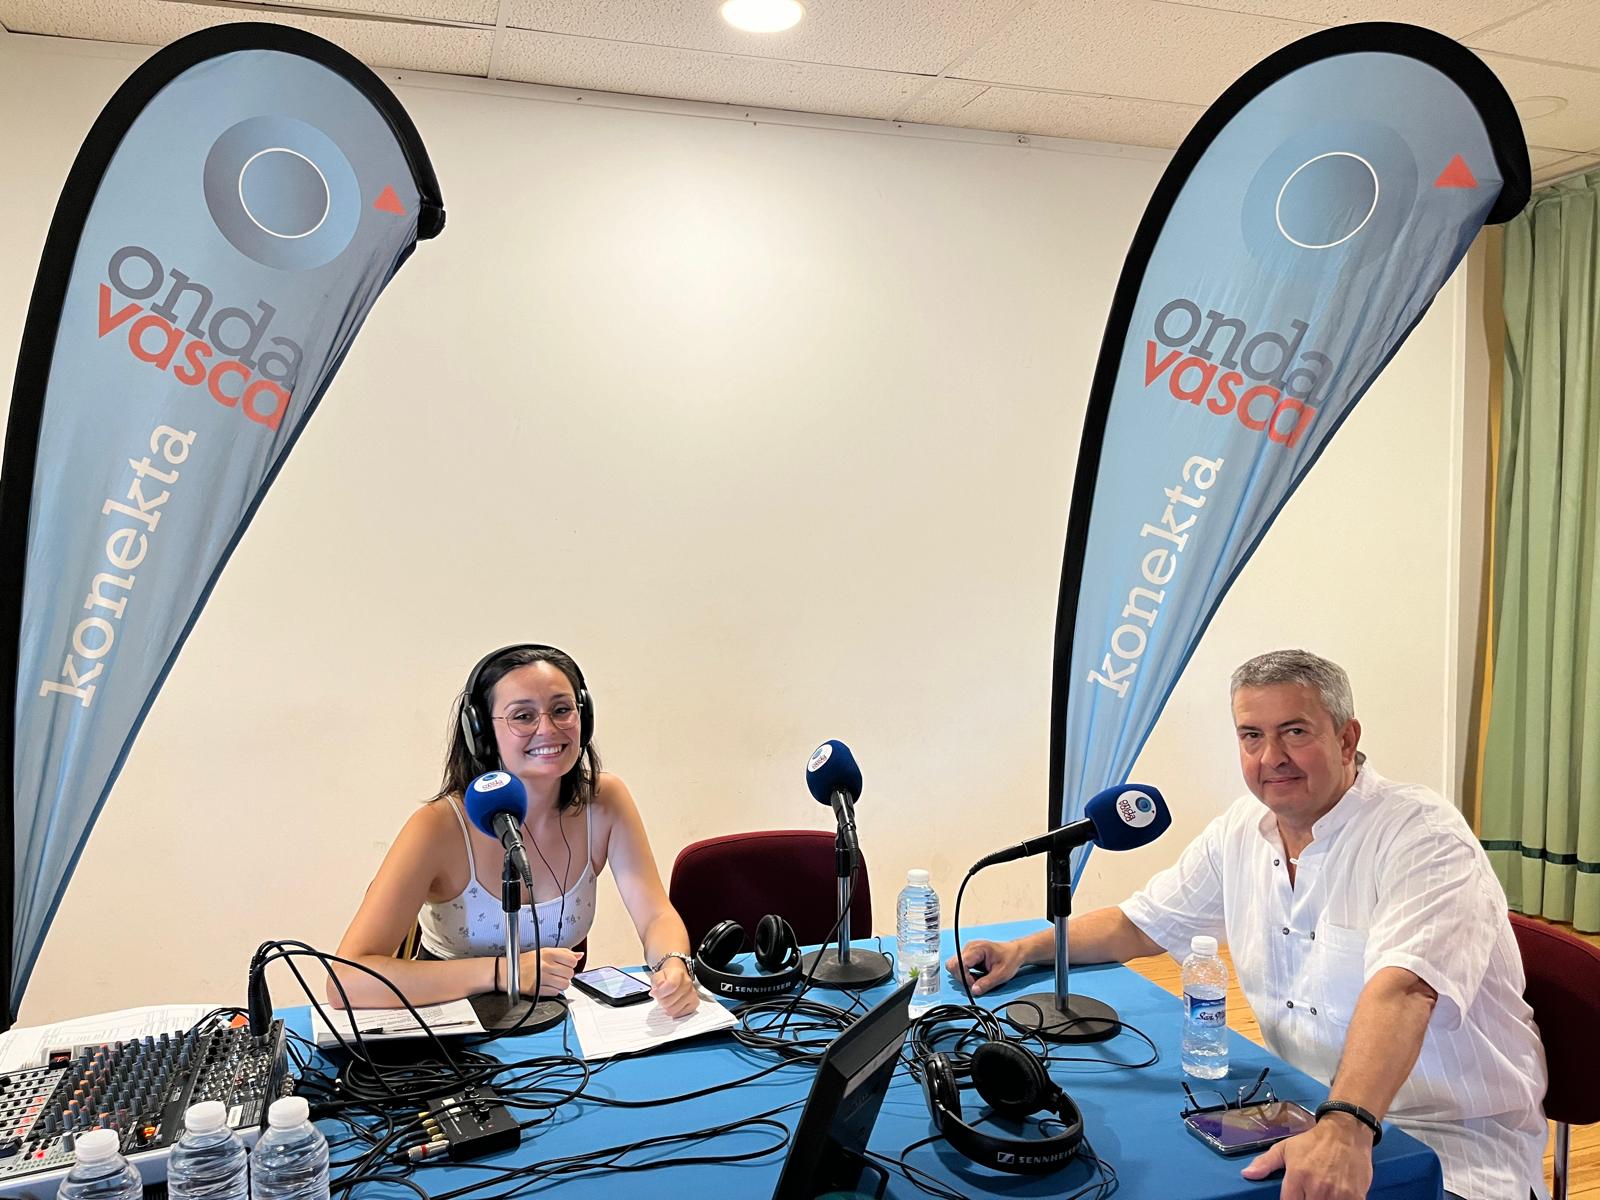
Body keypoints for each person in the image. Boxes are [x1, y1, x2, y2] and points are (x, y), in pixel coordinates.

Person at [951, 650, 1548, 1200]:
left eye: (1295, 731)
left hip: (1445, 1148)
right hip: (1300, 1111)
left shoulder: (1422, 837)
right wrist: (1024, 948)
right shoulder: (1242, 829)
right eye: (1252, 736)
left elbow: (1404, 990)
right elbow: (1140, 925)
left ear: (1347, 738)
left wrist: (1347, 1128)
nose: (1272, 758)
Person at [330, 643, 699, 1018]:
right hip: (449, 1034)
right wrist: (503, 972)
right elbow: (345, 980)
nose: (548, 729)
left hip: (556, 1026)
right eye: (522, 716)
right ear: (482, 733)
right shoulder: (437, 825)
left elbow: (655, 915)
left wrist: (673, 965)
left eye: (561, 710)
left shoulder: (604, 799)